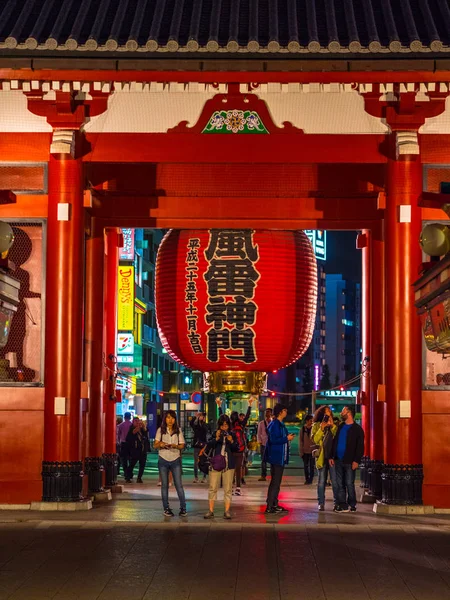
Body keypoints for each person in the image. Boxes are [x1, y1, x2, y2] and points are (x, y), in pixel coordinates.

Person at [216, 396, 254, 495]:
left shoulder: (230, 426)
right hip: (240, 450)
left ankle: (231, 486)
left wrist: (219, 406)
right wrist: (250, 405)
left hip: (231, 450)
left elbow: (221, 416)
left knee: (231, 468)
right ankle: (238, 488)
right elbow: (247, 416)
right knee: (238, 469)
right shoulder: (241, 425)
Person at [330, 405, 365, 513]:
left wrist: (356, 460)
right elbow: (335, 442)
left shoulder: (357, 429)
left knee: (349, 483)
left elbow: (360, 446)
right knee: (340, 483)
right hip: (338, 459)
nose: (341, 413)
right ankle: (342, 505)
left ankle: (352, 504)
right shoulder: (340, 426)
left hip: (350, 461)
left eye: (343, 411)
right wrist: (332, 456)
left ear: (349, 413)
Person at [203, 414, 239, 520]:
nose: (224, 428)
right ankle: (211, 510)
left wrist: (231, 440)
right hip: (216, 463)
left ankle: (227, 511)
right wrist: (217, 438)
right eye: (222, 425)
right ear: (219, 426)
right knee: (213, 487)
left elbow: (236, 448)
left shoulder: (232, 434)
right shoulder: (215, 433)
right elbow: (209, 445)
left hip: (229, 464)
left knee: (228, 488)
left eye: (226, 425)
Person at [154, 410, 187, 517]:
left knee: (179, 485)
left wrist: (175, 446)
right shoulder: (160, 430)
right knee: (164, 486)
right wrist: (162, 444)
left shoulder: (178, 430)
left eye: (172, 418)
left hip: (175, 459)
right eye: (168, 417)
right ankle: (166, 508)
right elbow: (155, 445)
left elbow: (182, 445)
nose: (170, 420)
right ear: (165, 419)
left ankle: (183, 508)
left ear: (175, 420)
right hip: (163, 459)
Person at [264, 403, 295, 514]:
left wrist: (287, 438)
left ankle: (274, 503)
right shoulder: (275, 424)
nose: (286, 412)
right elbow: (273, 440)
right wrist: (286, 438)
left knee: (277, 482)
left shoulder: (279, 424)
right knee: (275, 482)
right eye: (285, 410)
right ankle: (270, 505)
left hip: (279, 457)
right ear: (281, 412)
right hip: (276, 457)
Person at [311, 406, 338, 511]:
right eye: (326, 414)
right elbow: (315, 440)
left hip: (332, 457)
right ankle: (321, 503)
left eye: (330, 413)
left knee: (335, 481)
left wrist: (333, 426)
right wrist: (322, 428)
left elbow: (337, 438)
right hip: (322, 457)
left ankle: (336, 502)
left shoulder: (335, 424)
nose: (328, 415)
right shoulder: (316, 425)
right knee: (321, 481)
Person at [125, 417, 150, 483]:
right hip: (135, 450)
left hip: (143, 449)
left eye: (138, 421)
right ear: (133, 422)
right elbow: (133, 433)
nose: (138, 422)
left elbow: (146, 434)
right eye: (136, 421)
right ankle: (128, 477)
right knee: (132, 464)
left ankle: (139, 478)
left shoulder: (142, 429)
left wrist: (144, 426)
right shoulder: (131, 428)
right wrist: (139, 426)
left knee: (142, 464)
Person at [190, 411, 209, 483]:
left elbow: (204, 430)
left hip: (204, 446)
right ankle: (196, 477)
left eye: (202, 416)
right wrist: (196, 417)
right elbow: (191, 423)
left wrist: (201, 421)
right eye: (201, 416)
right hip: (196, 445)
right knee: (195, 462)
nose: (201, 417)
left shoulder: (205, 425)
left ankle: (204, 477)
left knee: (204, 461)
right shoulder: (196, 426)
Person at [257, 407, 273, 481]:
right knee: (263, 460)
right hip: (263, 444)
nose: (266, 414)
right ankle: (263, 475)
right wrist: (259, 441)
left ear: (271, 413)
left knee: (273, 460)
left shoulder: (273, 423)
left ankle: (273, 475)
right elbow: (259, 433)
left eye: (268, 412)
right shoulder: (261, 423)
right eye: (266, 412)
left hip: (272, 444)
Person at [117, 412, 133, 480]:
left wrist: (119, 442)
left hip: (123, 443)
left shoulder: (120, 425)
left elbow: (118, 435)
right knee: (131, 459)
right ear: (130, 417)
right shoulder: (132, 425)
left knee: (124, 460)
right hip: (131, 444)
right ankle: (130, 473)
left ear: (124, 417)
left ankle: (126, 473)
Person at [299, 414, 315, 485]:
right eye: (310, 420)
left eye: (312, 420)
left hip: (312, 451)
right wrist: (301, 451)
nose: (311, 422)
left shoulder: (314, 429)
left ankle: (310, 479)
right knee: (306, 466)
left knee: (312, 466)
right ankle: (307, 479)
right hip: (305, 451)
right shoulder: (303, 429)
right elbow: (301, 441)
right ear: (307, 421)